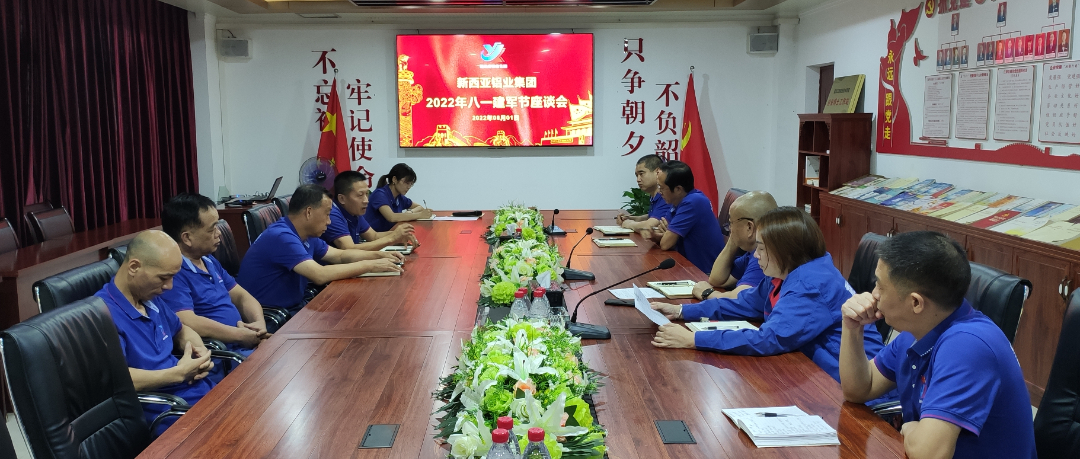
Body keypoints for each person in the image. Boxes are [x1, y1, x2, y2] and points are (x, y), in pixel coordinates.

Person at [838, 231, 1035, 459]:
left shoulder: (968, 347)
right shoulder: (917, 331)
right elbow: (860, 388)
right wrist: (852, 327)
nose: (874, 294)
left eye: (880, 286)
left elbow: (929, 454)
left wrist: (909, 427)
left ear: (915, 302)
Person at [650, 207, 889, 385]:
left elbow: (768, 339)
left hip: (849, 384)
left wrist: (693, 340)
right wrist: (681, 311)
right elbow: (743, 304)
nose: (756, 256)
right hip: (813, 370)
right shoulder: (785, 273)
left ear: (786, 252)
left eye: (762, 249)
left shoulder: (810, 284)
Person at [94, 230, 214, 434]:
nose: (169, 286)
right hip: (168, 412)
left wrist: (198, 351)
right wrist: (177, 375)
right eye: (163, 278)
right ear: (134, 267)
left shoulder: (149, 297)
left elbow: (181, 329)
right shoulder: (103, 314)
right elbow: (116, 380)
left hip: (200, 394)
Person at [238, 184, 406, 314]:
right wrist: (370, 265)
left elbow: (340, 256)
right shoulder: (282, 236)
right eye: (327, 214)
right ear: (309, 212)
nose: (329, 221)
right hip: (272, 316)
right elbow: (319, 275)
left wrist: (378, 256)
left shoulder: (306, 234)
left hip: (294, 307)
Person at [159, 193, 270, 358]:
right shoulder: (173, 273)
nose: (219, 233)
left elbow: (241, 296)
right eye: (212, 229)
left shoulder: (208, 260)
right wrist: (239, 335)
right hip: (222, 355)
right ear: (187, 238)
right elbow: (186, 320)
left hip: (243, 343)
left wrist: (258, 324)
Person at [692, 191, 777, 301]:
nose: (730, 229)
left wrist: (707, 293)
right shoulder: (751, 253)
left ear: (749, 227)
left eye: (731, 223)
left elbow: (742, 300)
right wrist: (733, 240)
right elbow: (717, 280)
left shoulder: (764, 256)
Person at [648, 160, 724, 274]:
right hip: (687, 266)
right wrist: (661, 236)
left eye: (662, 187)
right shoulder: (678, 201)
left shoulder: (693, 202)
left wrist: (668, 236)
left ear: (678, 189)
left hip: (705, 273)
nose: (659, 191)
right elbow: (663, 232)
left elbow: (666, 244)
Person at [323, 171, 415, 251]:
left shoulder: (354, 212)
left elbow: (373, 236)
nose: (366, 200)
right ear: (342, 199)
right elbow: (349, 249)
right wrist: (392, 238)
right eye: (360, 195)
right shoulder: (332, 215)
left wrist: (399, 235)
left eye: (367, 194)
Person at [364, 163, 432, 232]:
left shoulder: (400, 197)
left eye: (411, 184)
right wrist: (419, 215)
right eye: (406, 183)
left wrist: (410, 212)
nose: (409, 187)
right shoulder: (380, 194)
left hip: (389, 234)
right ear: (394, 179)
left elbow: (419, 207)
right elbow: (391, 217)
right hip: (373, 236)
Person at [615, 154, 671, 235]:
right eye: (636, 175)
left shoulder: (666, 195)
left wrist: (628, 224)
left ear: (657, 172)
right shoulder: (654, 195)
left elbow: (648, 227)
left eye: (641, 174)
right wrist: (632, 218)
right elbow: (652, 216)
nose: (638, 179)